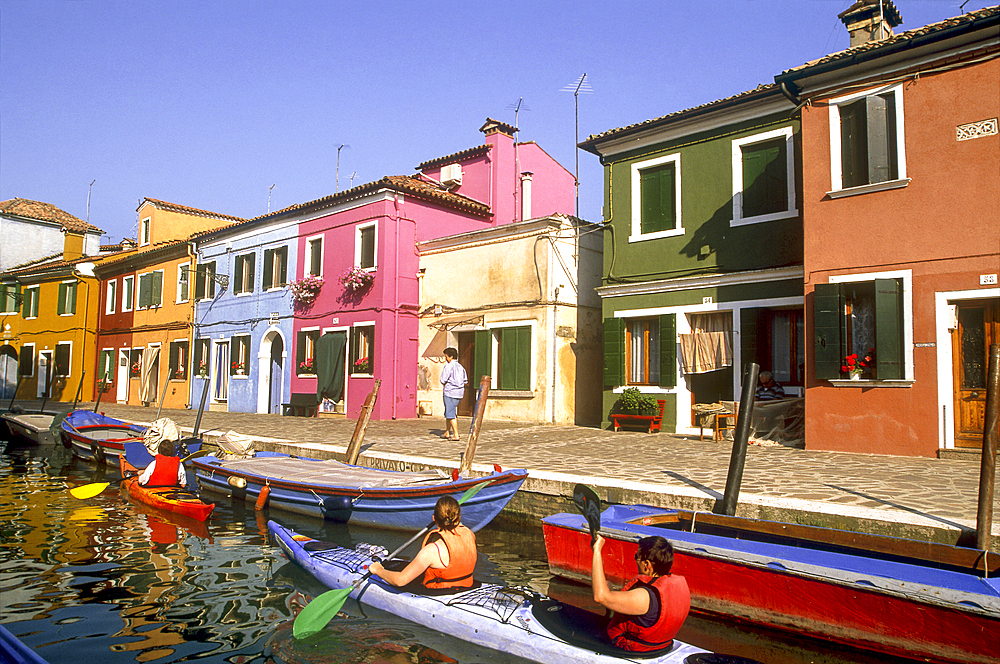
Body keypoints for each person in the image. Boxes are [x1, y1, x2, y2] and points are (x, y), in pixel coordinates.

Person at [592, 534, 690, 652]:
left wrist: (597, 551)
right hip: (662, 645)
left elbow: (600, 597)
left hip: (633, 648)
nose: (636, 560)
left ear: (646, 565)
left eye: (636, 557)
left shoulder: (645, 597)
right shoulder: (676, 586)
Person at [370, 495, 477, 590]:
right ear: (458, 518)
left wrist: (378, 570)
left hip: (440, 591)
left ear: (434, 518)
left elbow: (400, 581)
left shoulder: (431, 551)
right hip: (466, 584)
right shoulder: (470, 535)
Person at [439, 347, 468, 441]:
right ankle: (447, 431)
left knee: (451, 414)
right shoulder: (461, 367)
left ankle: (456, 434)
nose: (445, 358)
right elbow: (465, 380)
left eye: (446, 356)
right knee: (449, 411)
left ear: (450, 356)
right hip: (459, 393)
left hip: (450, 392)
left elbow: (443, 379)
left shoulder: (448, 366)